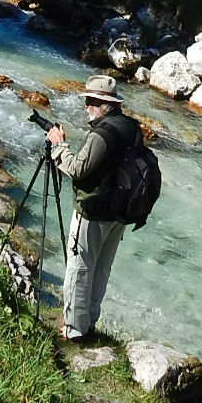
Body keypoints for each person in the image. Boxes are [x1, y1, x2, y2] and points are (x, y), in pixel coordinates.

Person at [47, 75, 141, 343]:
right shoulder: (131, 127)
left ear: (102, 103)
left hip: (94, 210)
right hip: (119, 211)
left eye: (89, 100)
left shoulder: (101, 134)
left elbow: (78, 169)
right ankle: (88, 323)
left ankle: (74, 330)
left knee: (80, 268)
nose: (86, 105)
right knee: (101, 269)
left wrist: (58, 146)